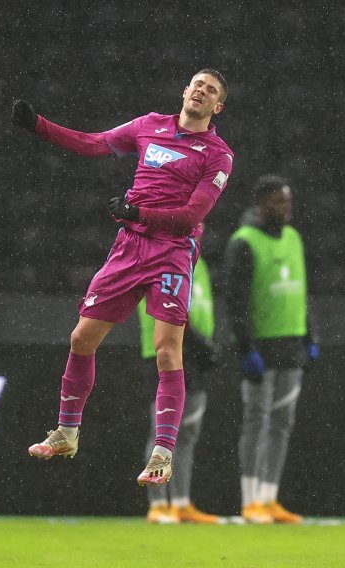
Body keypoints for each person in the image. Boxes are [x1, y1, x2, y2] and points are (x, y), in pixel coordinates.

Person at [12, 69, 234, 486]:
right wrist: (38, 126)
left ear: (216, 107)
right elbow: (93, 143)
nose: (201, 92)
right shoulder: (149, 126)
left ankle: (163, 454)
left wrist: (139, 212)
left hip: (172, 251)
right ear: (184, 91)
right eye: (197, 84)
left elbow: (192, 216)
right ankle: (67, 432)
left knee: (168, 350)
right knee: (81, 339)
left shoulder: (218, 155)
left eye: (211, 91)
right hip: (130, 246)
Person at [223, 174, 318, 524]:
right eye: (280, 202)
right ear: (262, 204)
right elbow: (235, 301)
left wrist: (311, 334)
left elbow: (301, 288)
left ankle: (269, 497)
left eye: (289, 201)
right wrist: (245, 347)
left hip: (291, 341)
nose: (286, 208)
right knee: (256, 419)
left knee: (281, 423)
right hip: (261, 346)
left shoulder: (293, 238)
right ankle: (250, 501)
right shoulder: (244, 242)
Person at [137, 239, 221, 524]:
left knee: (187, 433)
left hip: (194, 355)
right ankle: (158, 505)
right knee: (161, 430)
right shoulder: (159, 260)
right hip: (165, 352)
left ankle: (181, 503)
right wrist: (202, 344)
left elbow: (201, 307)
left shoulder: (200, 262)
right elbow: (172, 310)